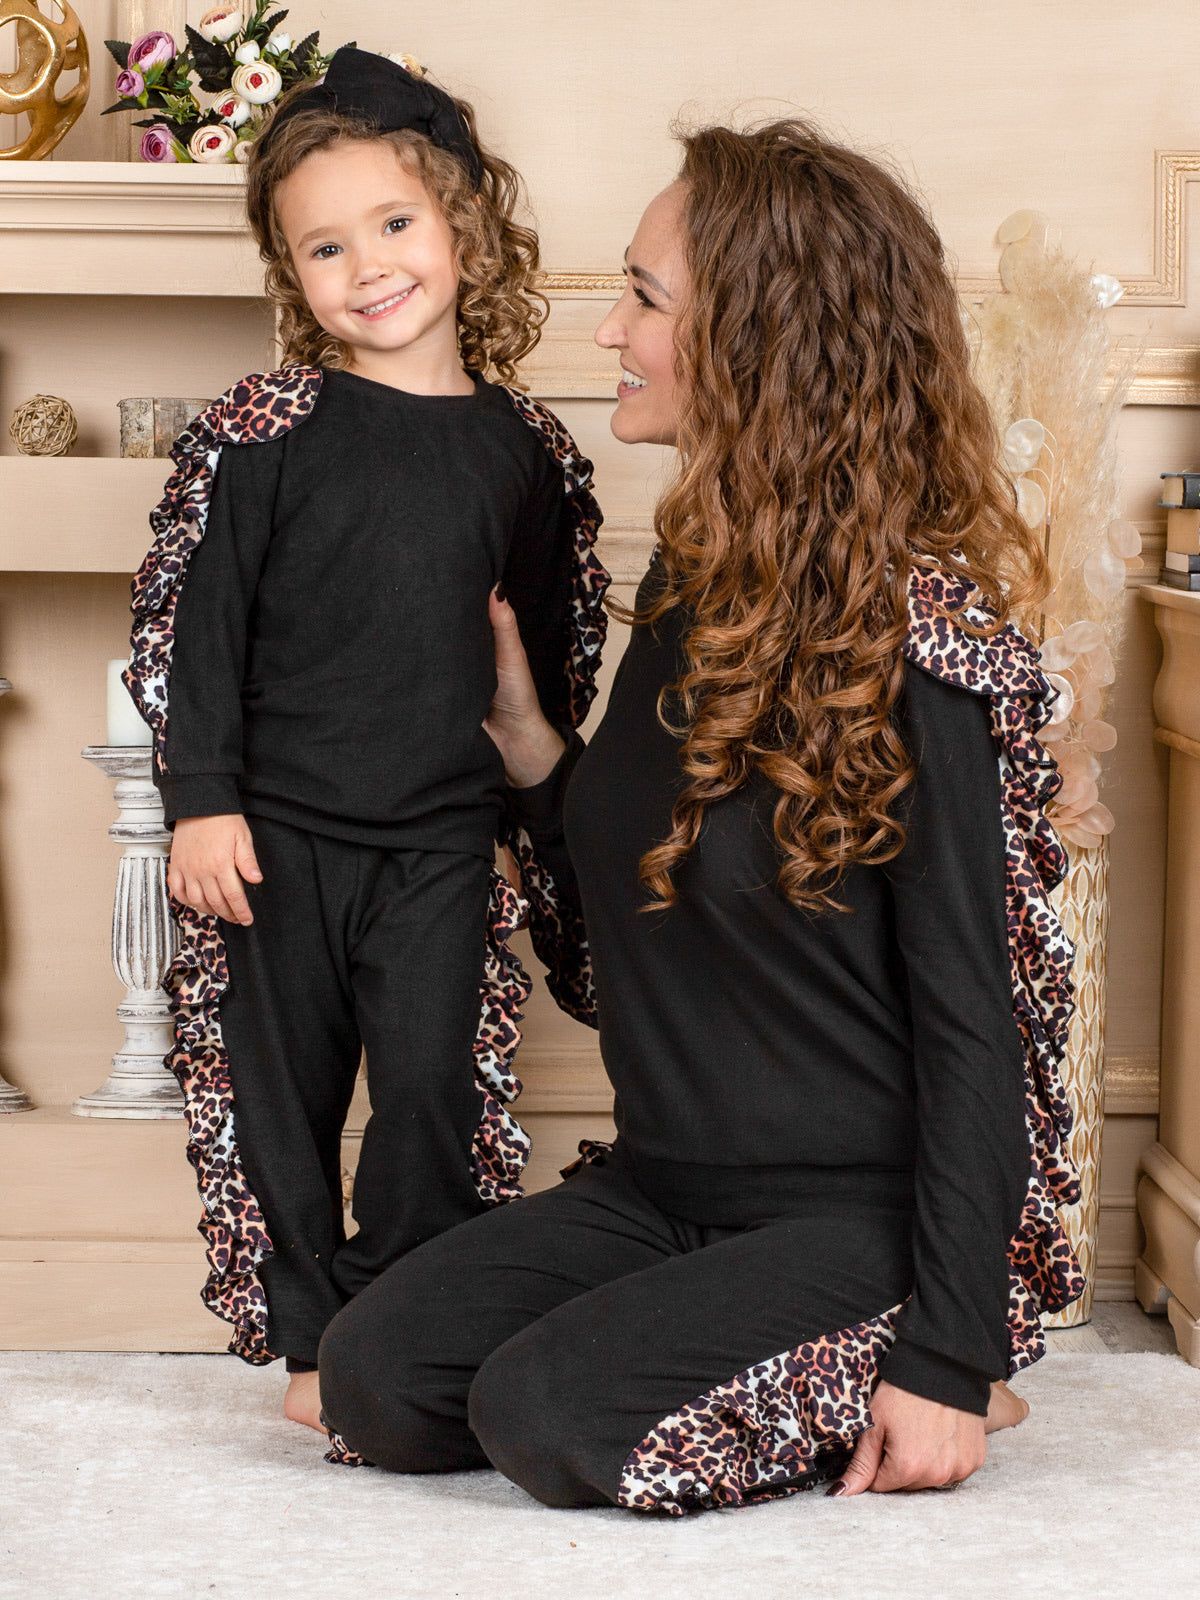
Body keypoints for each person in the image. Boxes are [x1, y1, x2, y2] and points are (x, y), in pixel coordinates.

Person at [317, 118, 1084, 1511]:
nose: (609, 330)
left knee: (548, 1417)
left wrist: (950, 1353)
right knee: (378, 1377)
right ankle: (755, 1336)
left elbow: (990, 1021)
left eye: (644, 298)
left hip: (857, 1217)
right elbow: (642, 904)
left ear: (759, 340)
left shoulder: (923, 638)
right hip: (664, 1185)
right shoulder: (691, 587)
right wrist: (534, 750)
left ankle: (905, 1353)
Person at [122, 47, 607, 1440]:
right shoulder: (265, 432)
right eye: (325, 247)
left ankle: (402, 1315)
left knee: (431, 1092)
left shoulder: (522, 449)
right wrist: (201, 799)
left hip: (442, 840)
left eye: (394, 223)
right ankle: (304, 1339)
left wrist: (525, 819)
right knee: (278, 1097)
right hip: (273, 837)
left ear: (462, 222)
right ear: (291, 273)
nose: (368, 266)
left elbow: (547, 654)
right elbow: (199, 627)